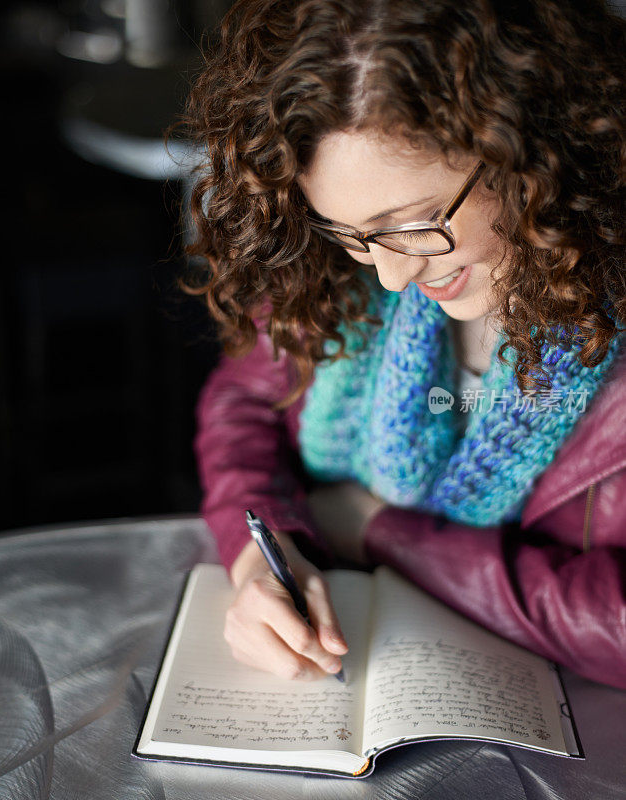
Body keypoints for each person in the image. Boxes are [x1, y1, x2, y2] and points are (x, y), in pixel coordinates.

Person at [179, 0, 626, 689]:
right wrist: (260, 554)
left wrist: (382, 532)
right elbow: (243, 399)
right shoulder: (331, 274)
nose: (390, 274)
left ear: (530, 147)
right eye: (349, 232)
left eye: (415, 223)